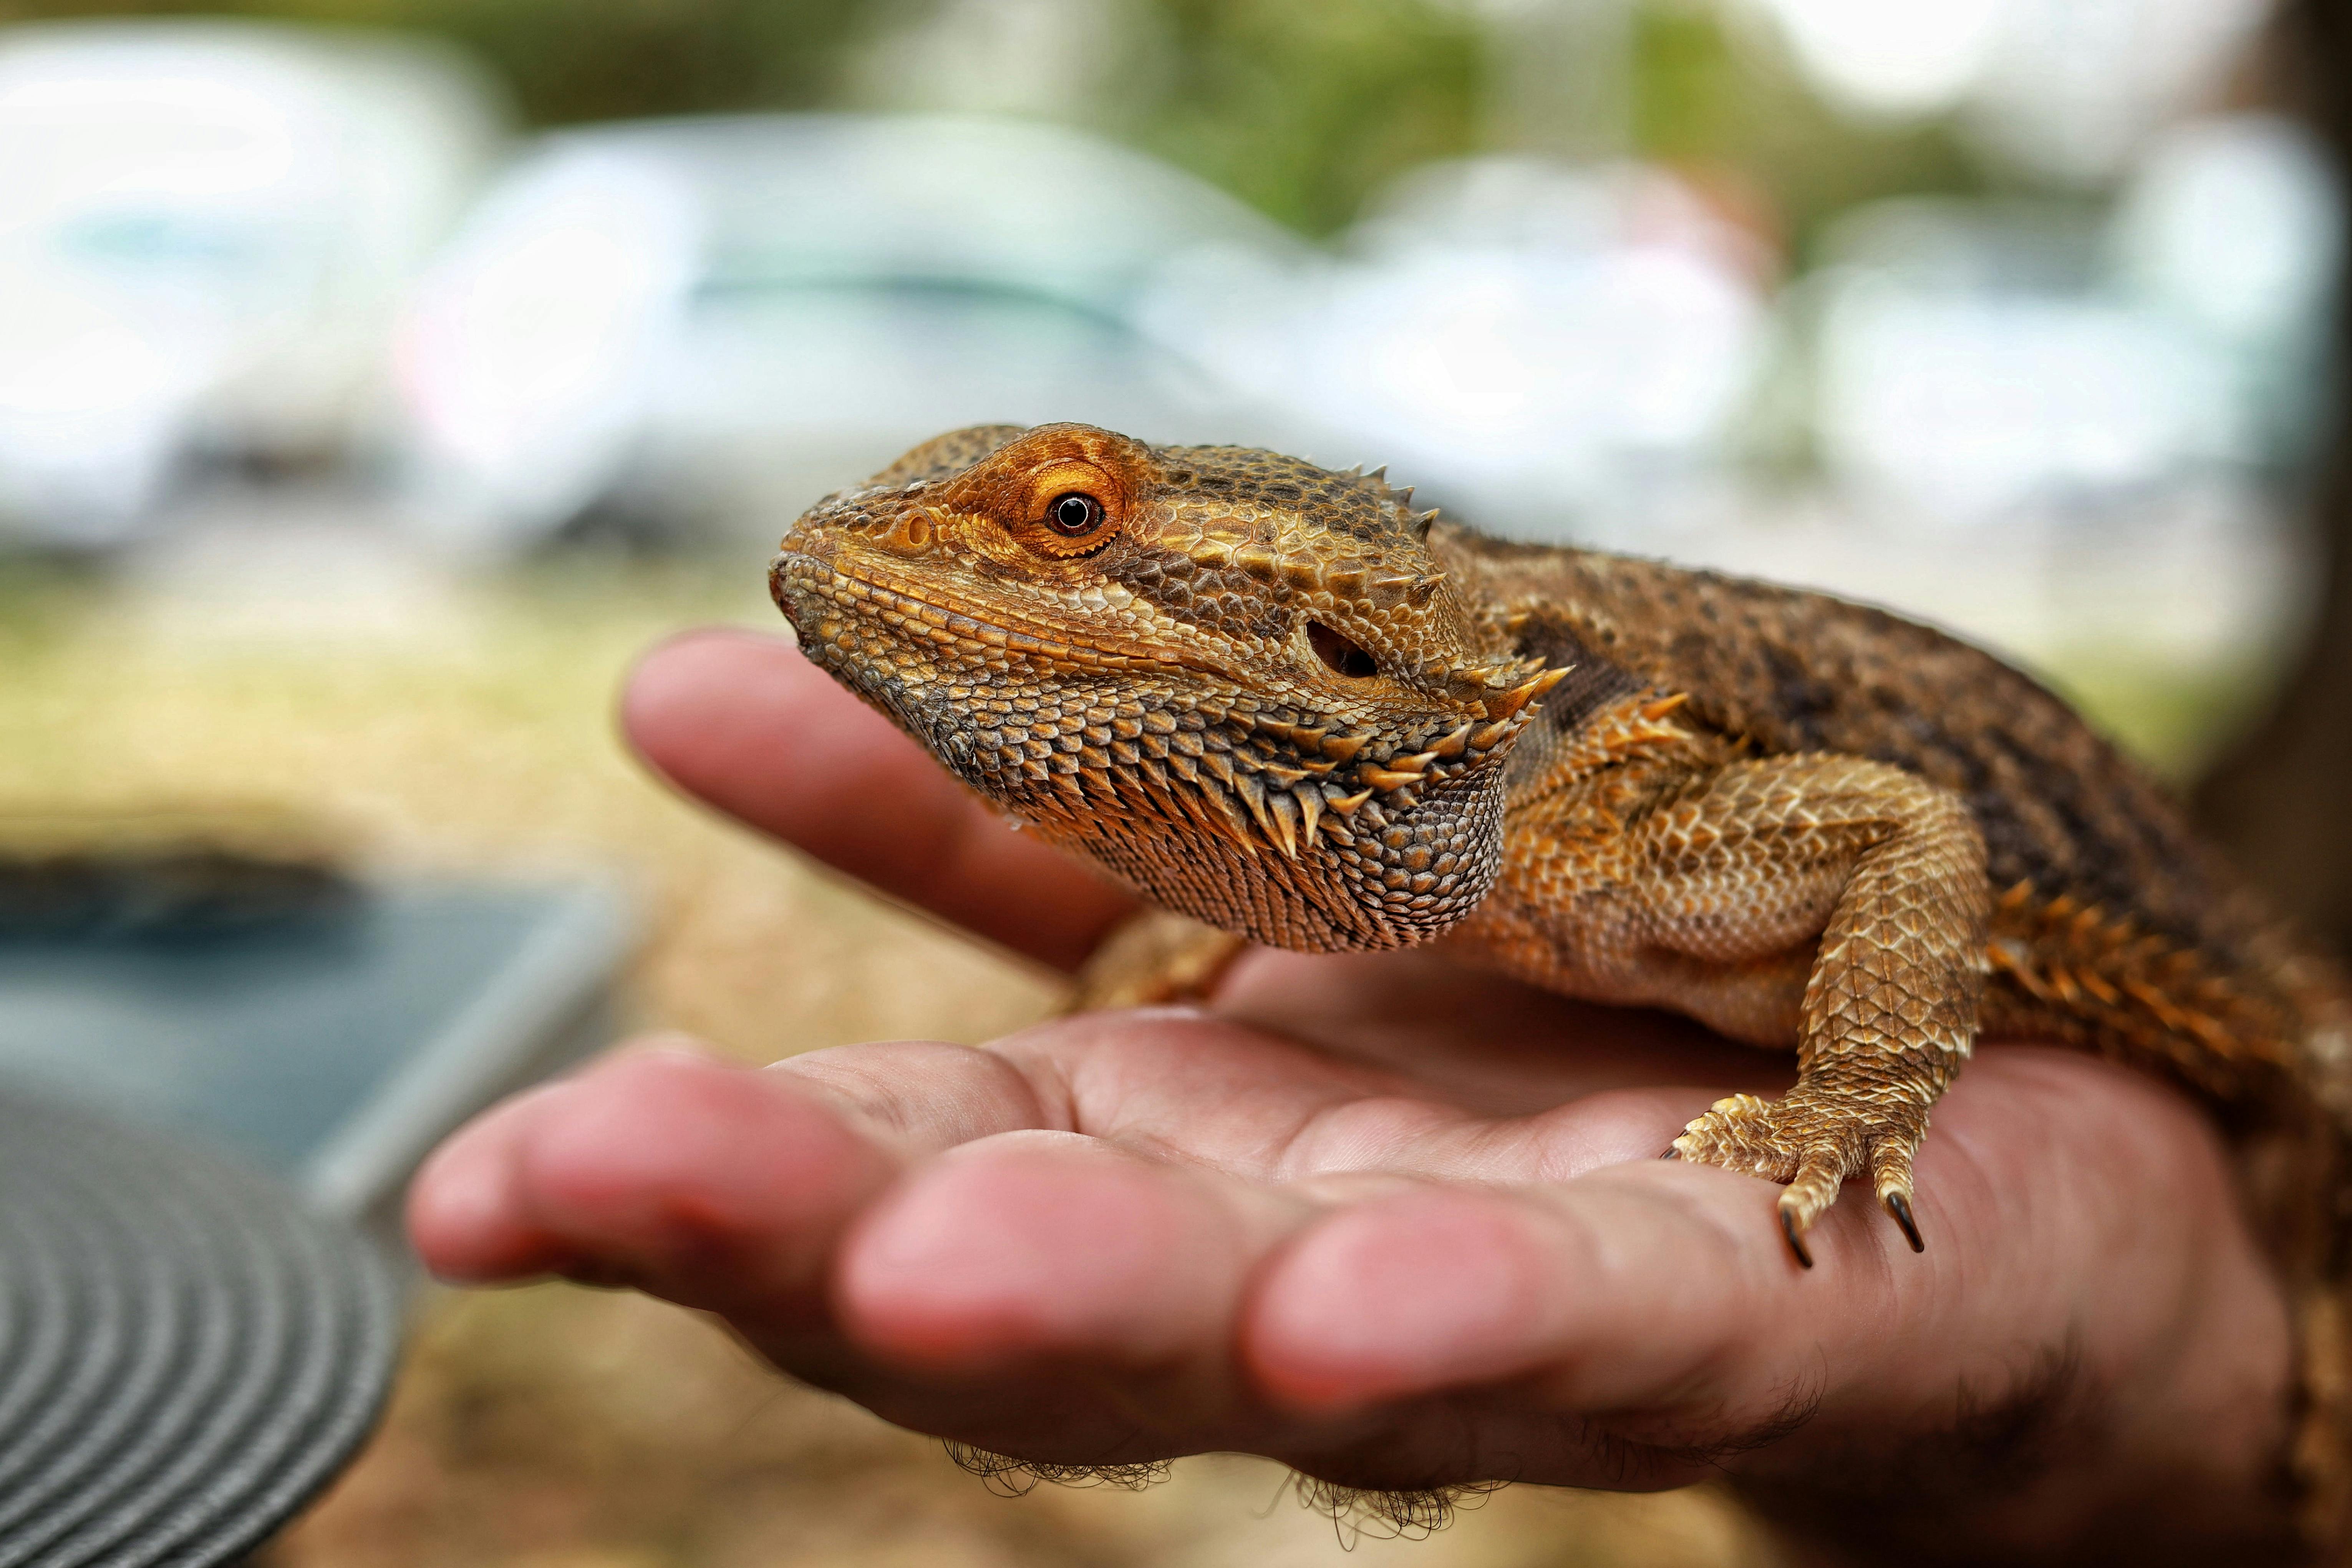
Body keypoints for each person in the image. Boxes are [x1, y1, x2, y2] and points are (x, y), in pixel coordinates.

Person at [409, 629, 2303, 1564]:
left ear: (1331, 643)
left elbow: (1897, 825)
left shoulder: (1605, 814)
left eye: (1069, 523)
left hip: (2278, 1088)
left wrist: (1861, 1089)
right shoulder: (1439, 809)